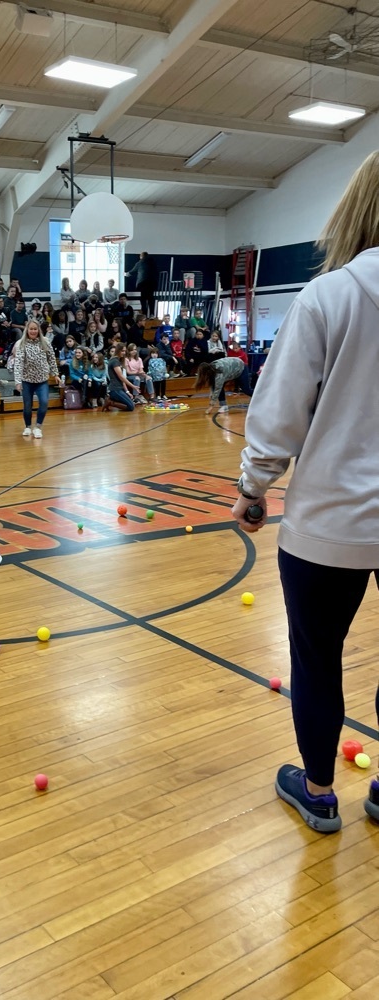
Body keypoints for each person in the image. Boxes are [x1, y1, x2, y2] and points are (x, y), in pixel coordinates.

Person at [231, 151, 379, 834]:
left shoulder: (330, 296)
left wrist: (253, 488)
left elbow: (280, 410)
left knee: (316, 661)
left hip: (330, 523)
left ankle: (319, 792)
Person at [13, 319, 59, 439]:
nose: (33, 331)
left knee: (44, 402)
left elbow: (52, 358)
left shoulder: (46, 342)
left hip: (42, 380)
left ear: (38, 330)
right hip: (27, 380)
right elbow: (18, 364)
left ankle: (38, 427)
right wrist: (18, 381)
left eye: (35, 329)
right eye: (31, 329)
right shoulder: (21, 344)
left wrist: (55, 374)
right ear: (27, 330)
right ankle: (28, 426)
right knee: (27, 406)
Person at [126, 252, 158, 317]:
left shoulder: (140, 263)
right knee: (151, 298)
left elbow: (132, 272)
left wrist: (126, 274)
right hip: (152, 283)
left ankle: (144, 314)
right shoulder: (153, 263)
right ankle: (152, 314)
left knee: (143, 299)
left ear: (141, 256)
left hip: (142, 283)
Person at [106, 345, 136, 411]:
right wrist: (133, 386)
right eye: (122, 351)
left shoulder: (117, 361)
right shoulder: (115, 361)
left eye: (125, 351)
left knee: (131, 404)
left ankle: (112, 400)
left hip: (119, 388)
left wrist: (127, 391)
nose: (124, 353)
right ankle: (110, 402)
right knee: (131, 407)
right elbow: (121, 377)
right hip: (115, 389)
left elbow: (121, 379)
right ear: (118, 351)